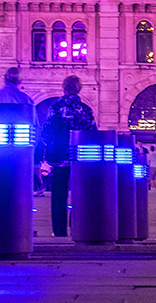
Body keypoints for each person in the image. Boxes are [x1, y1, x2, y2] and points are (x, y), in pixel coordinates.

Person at [39, 74, 96, 237]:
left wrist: (47, 146)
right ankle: (78, 225)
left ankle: (59, 230)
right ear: (79, 89)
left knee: (59, 193)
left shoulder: (56, 108)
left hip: (59, 157)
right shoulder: (85, 109)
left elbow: (47, 131)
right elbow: (92, 132)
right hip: (80, 158)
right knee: (80, 192)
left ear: (64, 88)